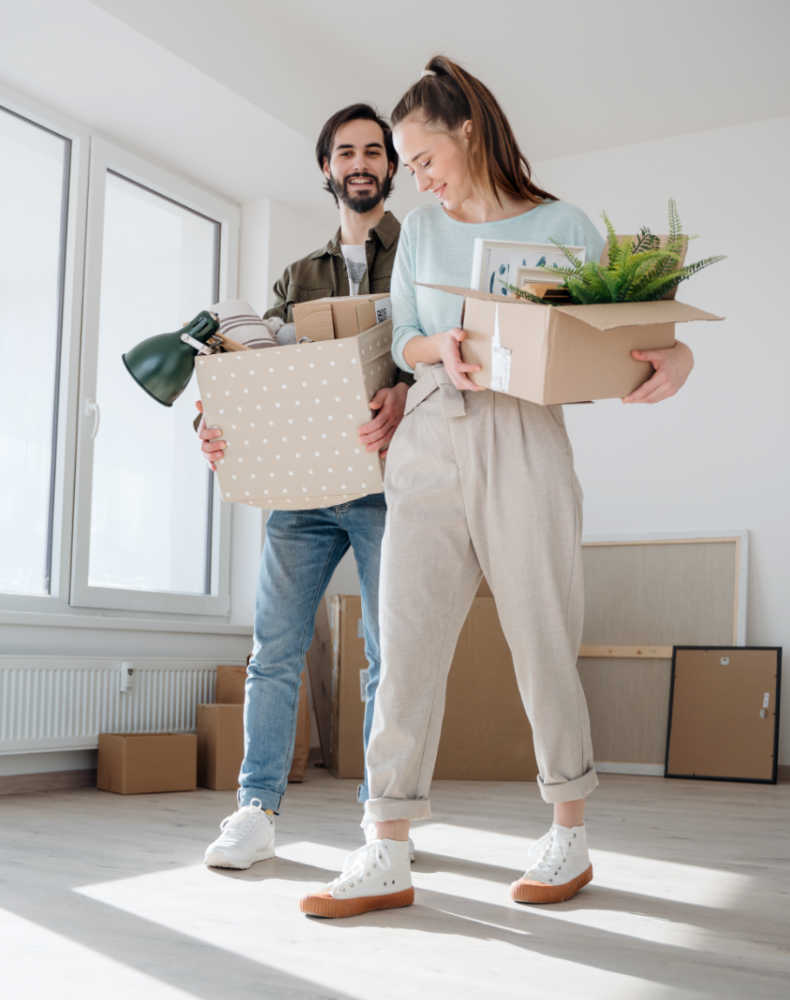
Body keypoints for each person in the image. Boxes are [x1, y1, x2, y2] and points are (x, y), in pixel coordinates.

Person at [300, 57, 696, 918]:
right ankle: (386, 846)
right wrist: (433, 350)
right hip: (431, 435)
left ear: (469, 131)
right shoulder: (422, 237)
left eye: (427, 158)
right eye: (411, 167)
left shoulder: (566, 224)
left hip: (526, 435)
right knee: (404, 649)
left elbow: (630, 330)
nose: (422, 179)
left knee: (542, 636)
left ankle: (569, 831)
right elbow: (403, 335)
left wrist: (679, 353)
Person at [198, 103, 414, 869]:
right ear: (327, 168)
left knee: (391, 654)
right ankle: (254, 809)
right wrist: (218, 417)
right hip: (303, 490)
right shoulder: (297, 276)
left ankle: (384, 820)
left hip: (389, 484)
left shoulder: (419, 253)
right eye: (345, 152)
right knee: (275, 650)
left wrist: (405, 393)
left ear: (391, 165)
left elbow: (446, 353)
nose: (360, 162)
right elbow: (268, 372)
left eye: (373, 151)